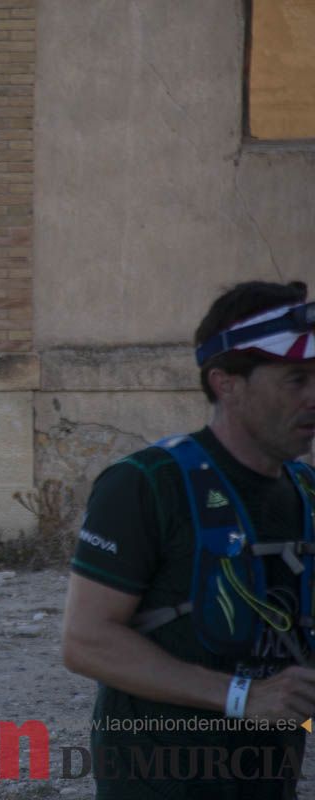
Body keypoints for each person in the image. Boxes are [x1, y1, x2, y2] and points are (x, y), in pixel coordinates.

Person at [62, 280, 315, 799]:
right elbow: (85, 641)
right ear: (226, 383)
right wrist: (243, 696)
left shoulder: (307, 490)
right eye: (296, 379)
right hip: (160, 780)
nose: (313, 397)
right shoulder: (147, 483)